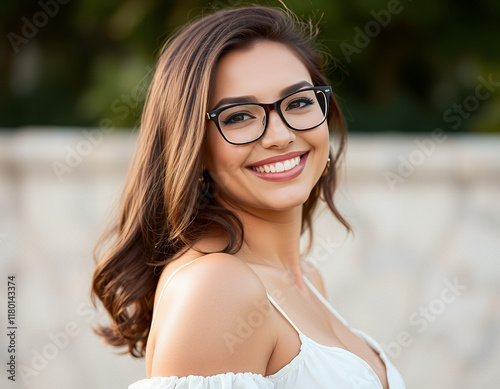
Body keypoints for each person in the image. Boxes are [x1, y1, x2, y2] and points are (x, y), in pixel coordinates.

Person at [91, 4, 406, 389]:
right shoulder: (216, 288)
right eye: (239, 116)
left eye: (299, 102)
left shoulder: (307, 277)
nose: (279, 136)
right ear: (194, 146)